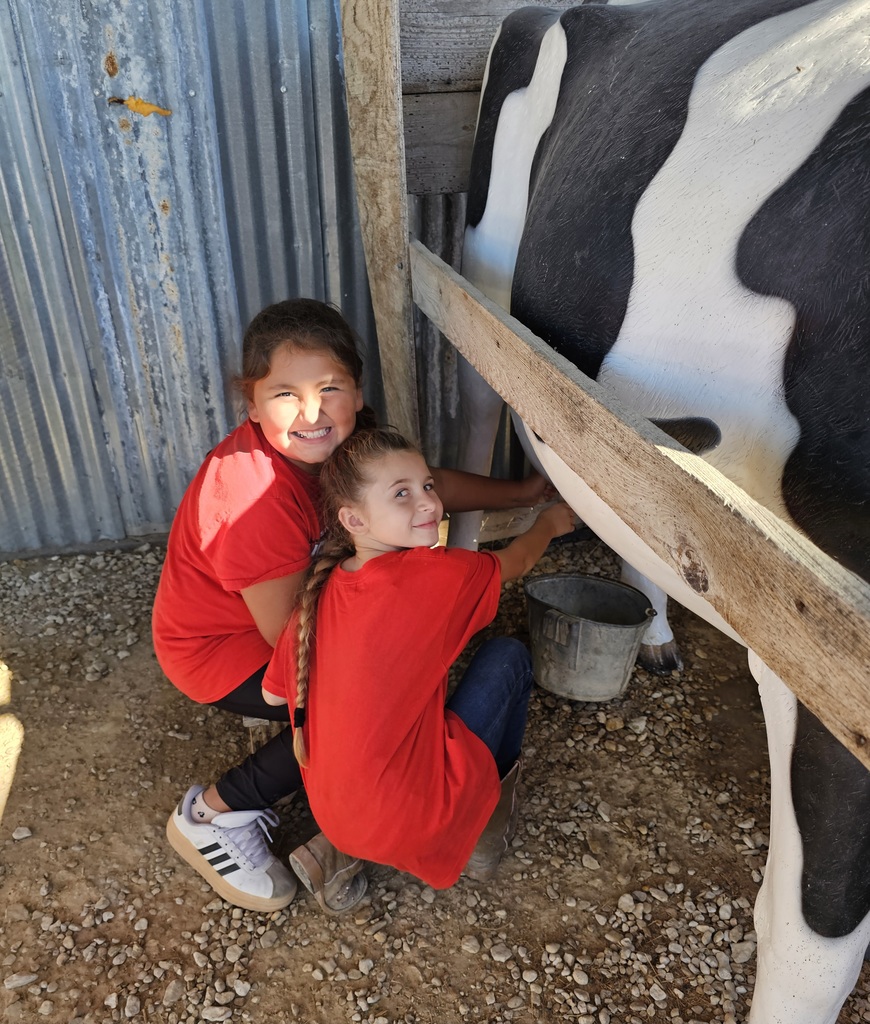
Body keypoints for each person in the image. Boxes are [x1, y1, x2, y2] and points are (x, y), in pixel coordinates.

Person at [152, 299, 556, 913]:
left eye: (330, 388)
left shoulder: (347, 448)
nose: (312, 412)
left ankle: (367, 809)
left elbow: (428, 485)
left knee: (394, 696)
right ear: (251, 403)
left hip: (297, 624)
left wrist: (524, 489)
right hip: (222, 651)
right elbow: (302, 642)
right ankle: (215, 813)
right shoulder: (248, 500)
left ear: (358, 393)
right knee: (363, 709)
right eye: (286, 394)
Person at [261, 429, 575, 890]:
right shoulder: (437, 574)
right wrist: (550, 524)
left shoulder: (317, 595)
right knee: (509, 655)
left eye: (428, 486)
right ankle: (481, 828)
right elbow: (518, 561)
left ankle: (339, 850)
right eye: (402, 494)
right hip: (408, 820)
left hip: (336, 817)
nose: (428, 504)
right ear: (355, 520)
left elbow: (272, 694)